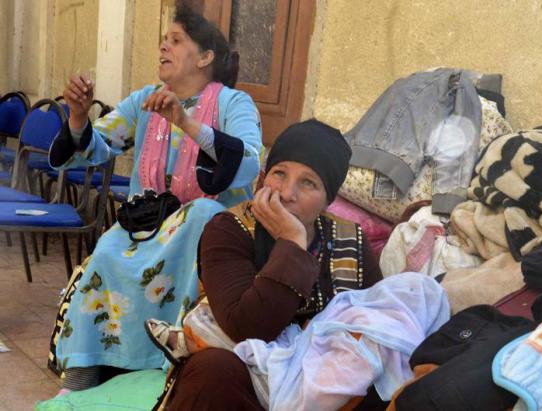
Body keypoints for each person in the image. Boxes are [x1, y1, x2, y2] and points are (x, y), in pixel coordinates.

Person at [47, 6, 262, 392]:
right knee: (110, 248)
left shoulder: (234, 104)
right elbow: (93, 148)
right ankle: (87, 366)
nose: (164, 45)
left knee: (203, 213)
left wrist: (186, 122)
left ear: (205, 57)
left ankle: (168, 364)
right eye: (165, 38)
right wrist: (78, 117)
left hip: (201, 232)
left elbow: (248, 162)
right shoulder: (146, 100)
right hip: (147, 227)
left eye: (176, 40)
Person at [156, 119, 385, 410]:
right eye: (280, 173)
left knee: (381, 375)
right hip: (244, 382)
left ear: (327, 200)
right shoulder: (230, 229)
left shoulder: (351, 241)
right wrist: (292, 242)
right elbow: (247, 328)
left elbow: (378, 323)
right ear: (263, 180)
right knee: (213, 370)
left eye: (308, 182)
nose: (288, 193)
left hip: (325, 383)